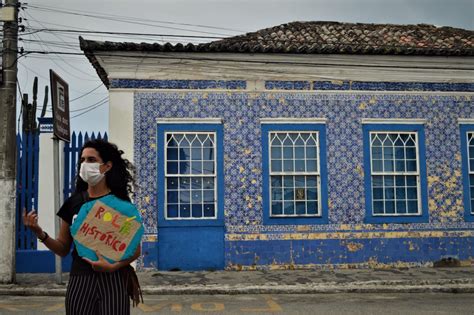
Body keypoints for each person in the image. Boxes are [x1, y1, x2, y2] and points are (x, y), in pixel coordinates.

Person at [23, 139, 142, 315]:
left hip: (114, 280)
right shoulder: (74, 203)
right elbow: (63, 248)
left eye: (91, 160)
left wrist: (113, 267)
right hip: (80, 280)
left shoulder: (121, 205)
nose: (85, 164)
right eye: (82, 160)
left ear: (107, 166)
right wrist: (40, 233)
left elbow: (136, 250)